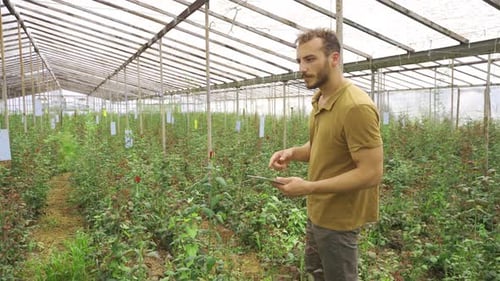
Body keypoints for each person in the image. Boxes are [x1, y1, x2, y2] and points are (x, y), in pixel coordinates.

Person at [268, 28, 383, 281]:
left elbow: (371, 173)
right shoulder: (320, 98)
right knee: (316, 274)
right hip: (318, 211)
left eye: (310, 59)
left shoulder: (355, 107)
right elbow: (320, 146)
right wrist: (292, 153)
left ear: (334, 59)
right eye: (299, 60)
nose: (302, 67)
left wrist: (308, 187)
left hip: (339, 220)